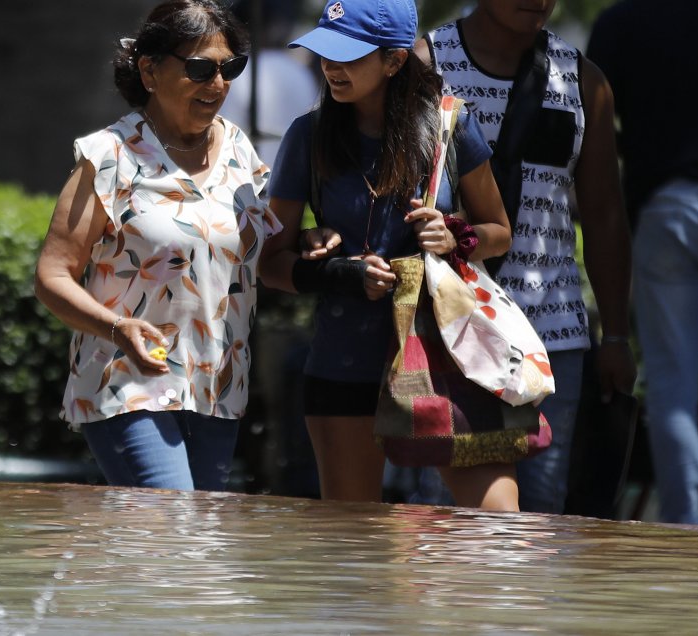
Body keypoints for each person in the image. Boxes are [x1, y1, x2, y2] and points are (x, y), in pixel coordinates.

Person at [259, 0, 519, 510]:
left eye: (348, 56)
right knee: (354, 543)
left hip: (446, 357)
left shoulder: (450, 126)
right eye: (325, 53)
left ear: (395, 61)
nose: (331, 67)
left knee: (498, 527)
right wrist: (335, 273)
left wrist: (455, 235)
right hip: (345, 363)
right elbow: (270, 264)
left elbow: (500, 233)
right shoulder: (307, 135)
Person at [34, 0, 280, 491]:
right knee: (169, 520)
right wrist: (117, 328)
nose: (218, 84)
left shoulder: (239, 149)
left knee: (193, 537)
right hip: (127, 381)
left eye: (230, 68)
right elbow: (52, 275)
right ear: (150, 71)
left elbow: (263, 253)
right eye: (200, 69)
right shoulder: (109, 156)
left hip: (218, 385)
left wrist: (314, 242)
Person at [419, 0, 637, 514]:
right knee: (448, 514)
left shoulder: (583, 82)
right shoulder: (427, 66)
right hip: (452, 333)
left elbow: (605, 217)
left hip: (551, 339)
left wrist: (616, 336)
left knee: (543, 517)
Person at [588, 0, 698, 524]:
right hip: (668, 205)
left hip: (666, 207)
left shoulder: (623, 21)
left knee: (672, 387)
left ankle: (685, 530)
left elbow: (590, 120)